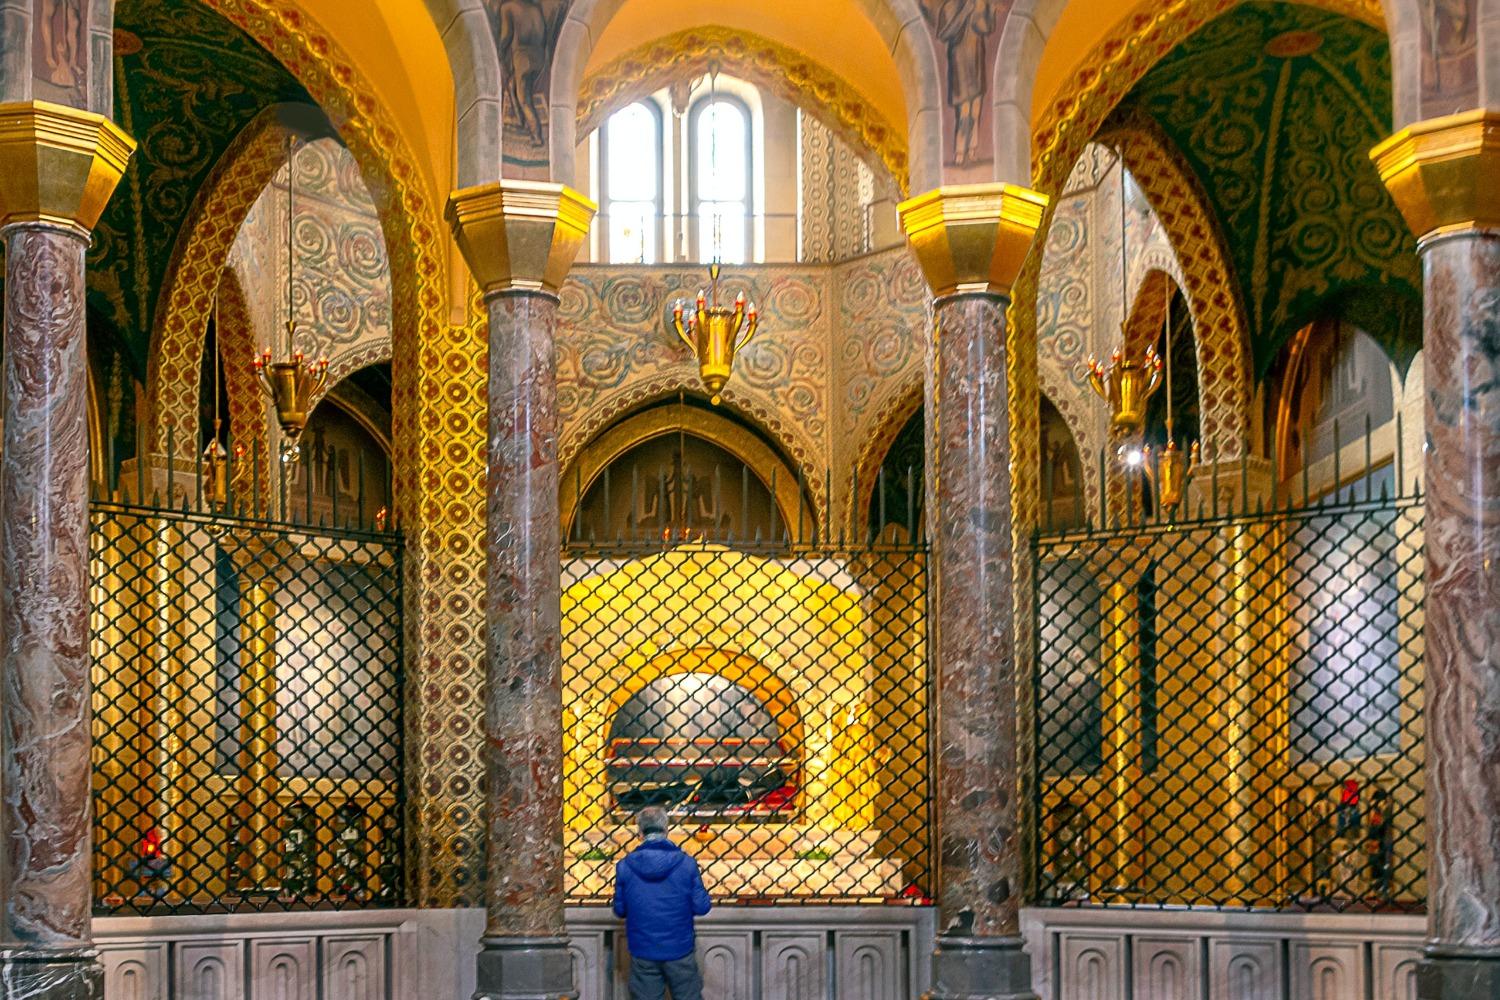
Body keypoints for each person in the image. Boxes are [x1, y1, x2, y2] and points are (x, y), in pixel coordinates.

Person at [613, 807, 712, 1000]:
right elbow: (702, 906)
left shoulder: (624, 866)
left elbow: (620, 909)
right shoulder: (686, 864)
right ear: (666, 829)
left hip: (643, 949)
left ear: (639, 833)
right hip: (680, 948)